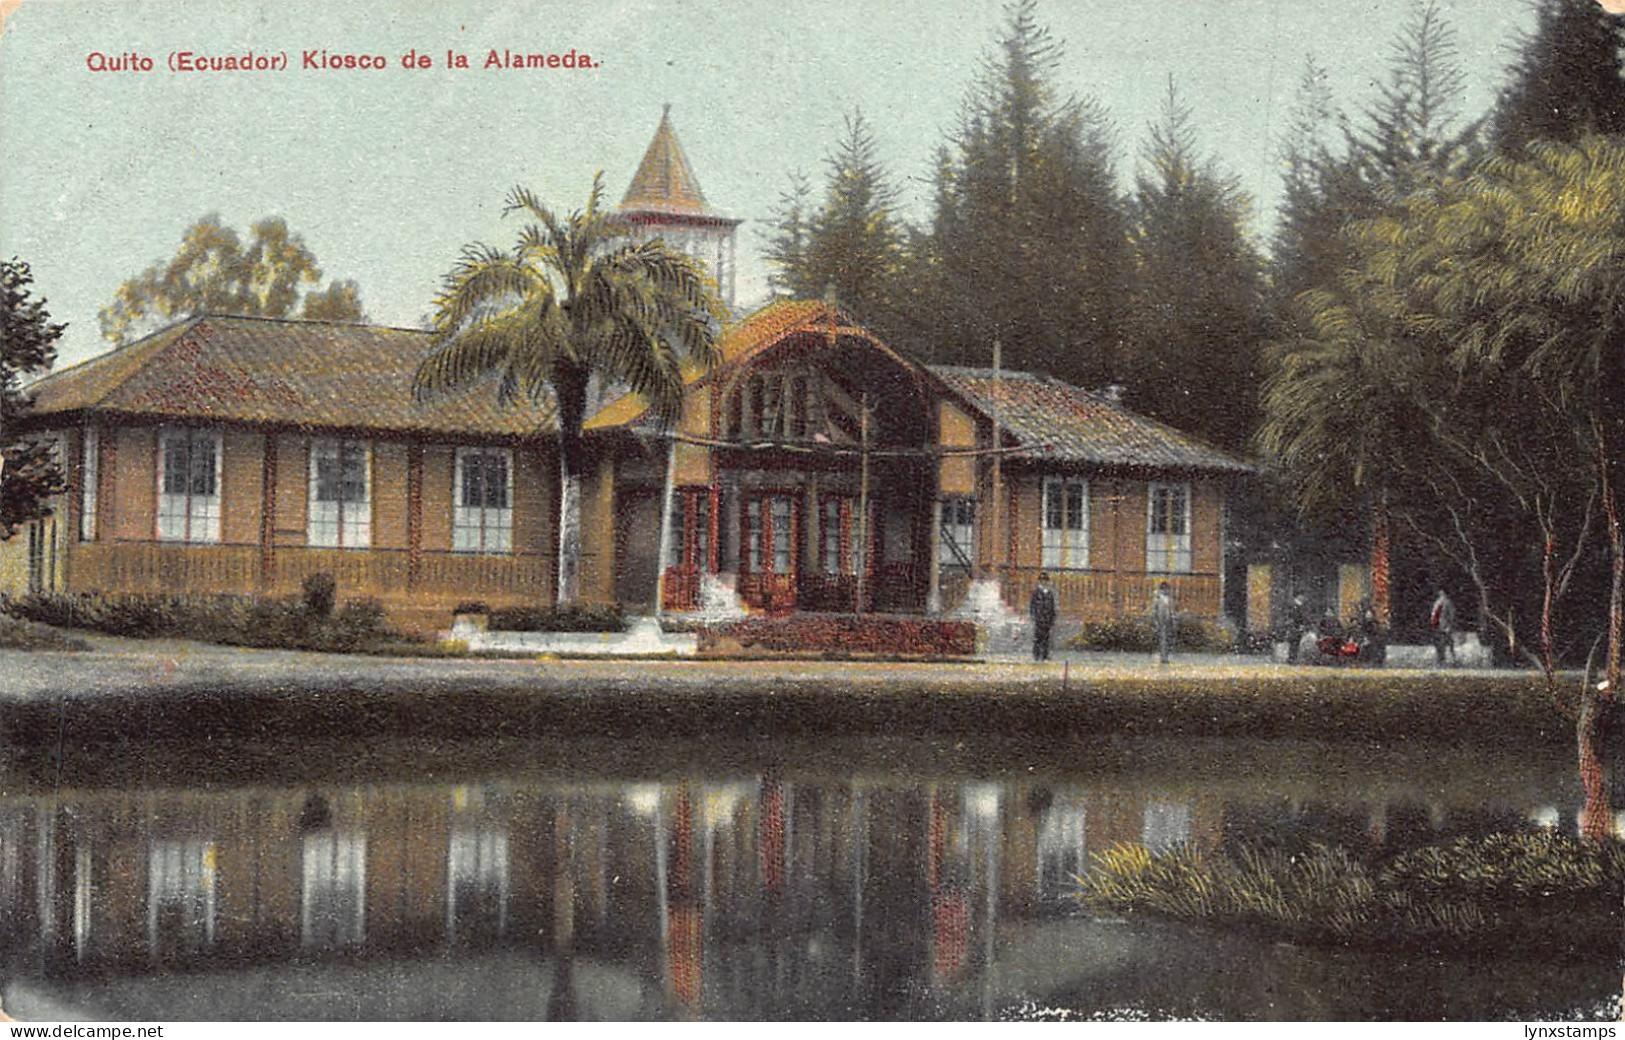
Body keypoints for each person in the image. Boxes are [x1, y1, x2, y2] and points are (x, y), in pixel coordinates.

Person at [1028, 571, 1057, 662]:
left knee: (1046, 638)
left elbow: (1052, 606)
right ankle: (1036, 655)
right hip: (1039, 618)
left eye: (1045, 580)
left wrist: (1052, 617)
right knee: (1038, 637)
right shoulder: (1036, 593)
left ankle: (1045, 655)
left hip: (1047, 619)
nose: (1044, 582)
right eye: (1042, 580)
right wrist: (1035, 616)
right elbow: (1033, 606)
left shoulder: (1049, 593)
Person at [1429, 588, 1457, 667]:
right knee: (1444, 644)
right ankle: (1446, 659)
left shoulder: (1442, 602)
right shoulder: (1442, 602)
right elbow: (1450, 614)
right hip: (1441, 626)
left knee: (1444, 643)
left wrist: (1448, 625)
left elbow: (1450, 614)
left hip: (1441, 626)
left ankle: (1446, 659)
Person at [1151, 581, 1177, 665]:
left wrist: (1173, 620)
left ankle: (1166, 655)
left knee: (1169, 639)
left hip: (1169, 621)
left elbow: (1172, 611)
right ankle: (1163, 657)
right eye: (1165, 589)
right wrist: (1156, 622)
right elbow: (1154, 612)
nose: (1167, 591)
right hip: (1161, 622)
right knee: (1162, 640)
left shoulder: (1170, 599)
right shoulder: (1158, 599)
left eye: (1167, 589)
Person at [1286, 593, 1309, 664]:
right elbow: (1295, 617)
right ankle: (1292, 659)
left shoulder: (1299, 606)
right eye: (1302, 595)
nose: (1303, 597)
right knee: (1294, 643)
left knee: (1295, 643)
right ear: (1298, 596)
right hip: (1295, 627)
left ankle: (1292, 658)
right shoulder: (1295, 606)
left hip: (1296, 627)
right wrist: (1299, 625)